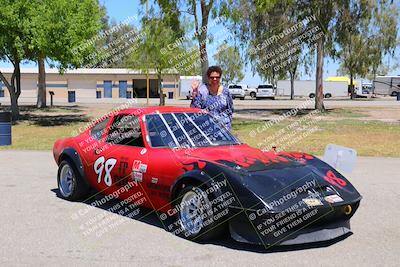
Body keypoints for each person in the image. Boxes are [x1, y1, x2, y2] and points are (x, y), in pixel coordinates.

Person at [190, 66, 234, 130]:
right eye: (212, 77)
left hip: (224, 129)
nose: (215, 79)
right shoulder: (202, 91)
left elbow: (230, 110)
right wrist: (195, 92)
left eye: (217, 77)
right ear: (208, 78)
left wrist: (228, 123)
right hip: (206, 129)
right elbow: (194, 110)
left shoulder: (226, 92)